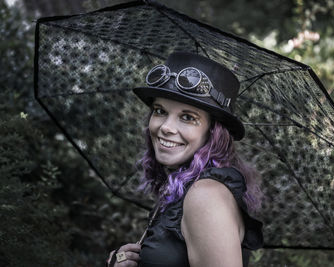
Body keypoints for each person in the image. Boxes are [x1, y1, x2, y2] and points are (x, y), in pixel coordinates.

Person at [107, 52, 263, 267]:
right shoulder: (185, 189)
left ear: (213, 132)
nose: (166, 127)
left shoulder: (206, 195)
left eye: (188, 117)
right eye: (160, 111)